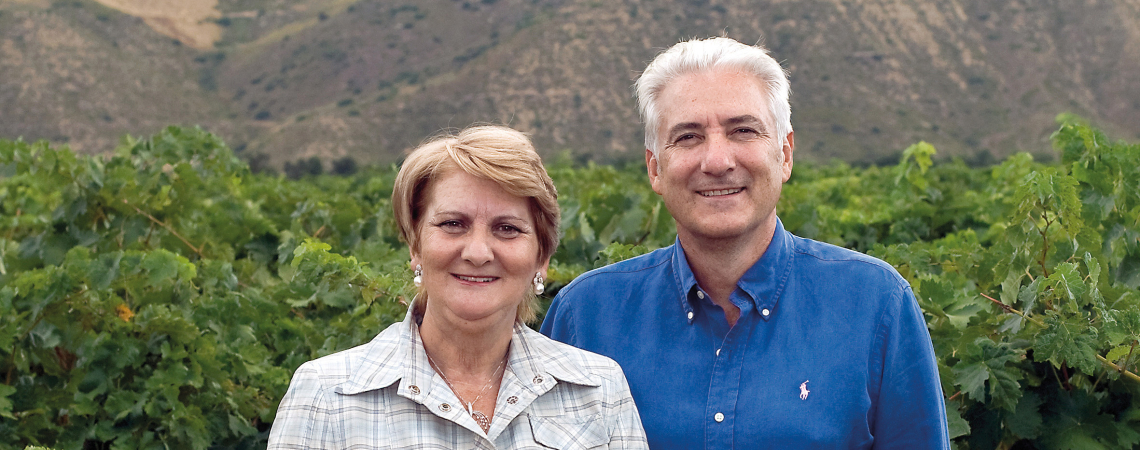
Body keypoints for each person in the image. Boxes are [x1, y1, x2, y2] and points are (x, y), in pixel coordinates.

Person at [541, 37, 950, 449]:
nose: (717, 161)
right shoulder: (586, 316)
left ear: (785, 154)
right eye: (688, 137)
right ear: (655, 169)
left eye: (743, 130)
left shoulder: (876, 303)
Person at [269, 125, 648, 449]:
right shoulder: (325, 397)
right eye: (453, 224)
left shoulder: (598, 392)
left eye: (508, 229)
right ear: (415, 245)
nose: (479, 252)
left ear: (541, 257)